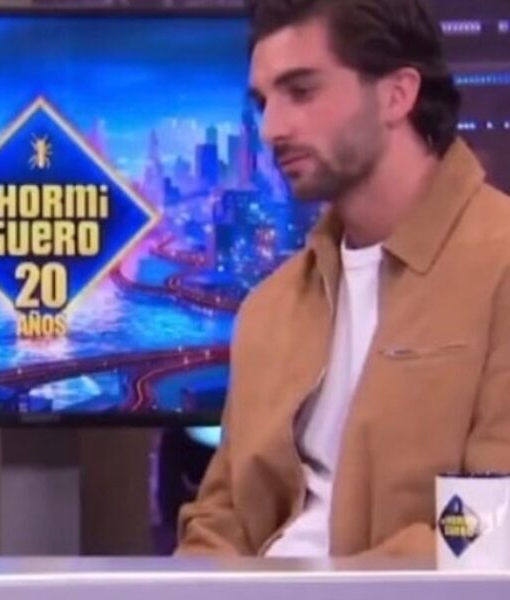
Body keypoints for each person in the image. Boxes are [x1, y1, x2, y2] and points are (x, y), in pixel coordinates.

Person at [176, 0, 510, 558]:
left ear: (397, 94)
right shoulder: (270, 308)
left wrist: (346, 587)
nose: (272, 128)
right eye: (263, 102)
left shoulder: (498, 267)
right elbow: (221, 517)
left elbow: (495, 524)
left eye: (301, 91)